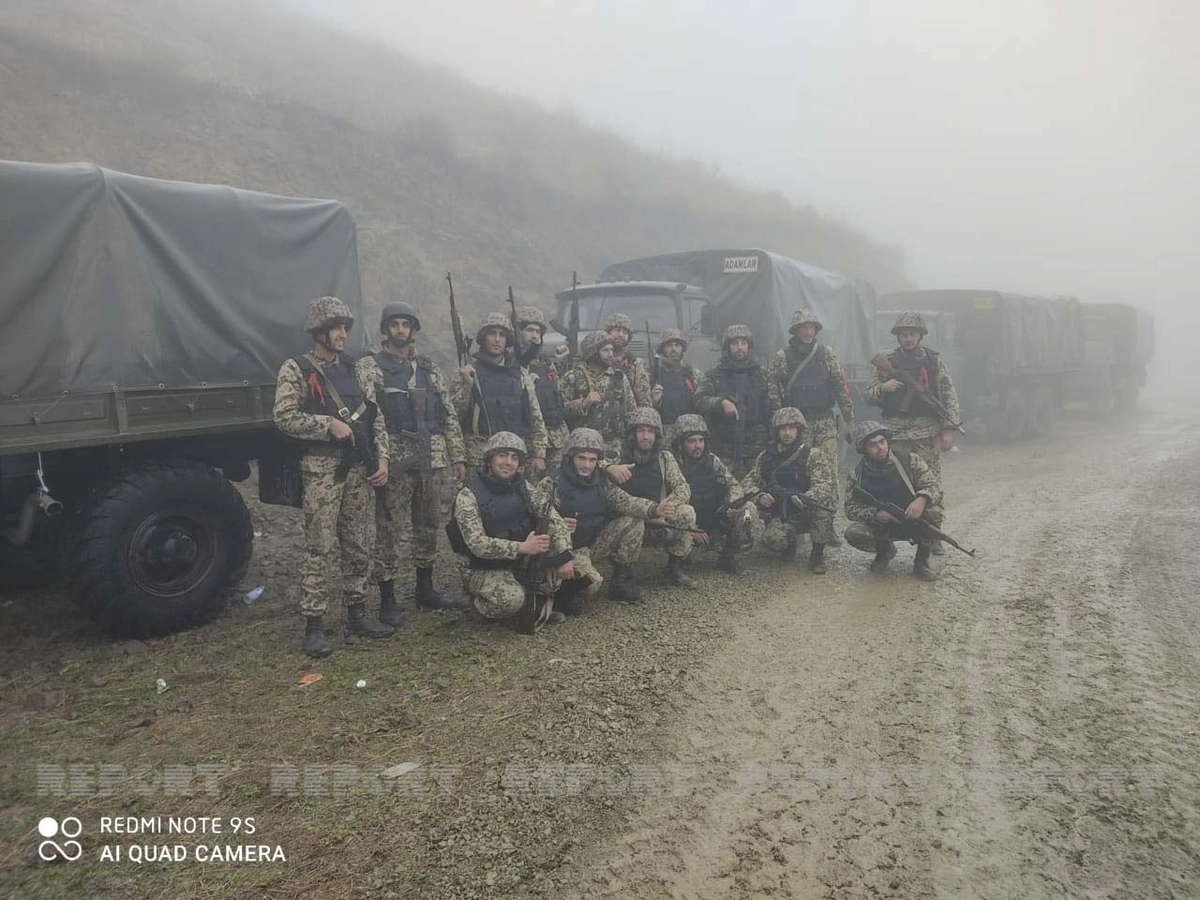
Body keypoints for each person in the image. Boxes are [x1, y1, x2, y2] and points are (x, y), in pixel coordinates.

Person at [273, 296, 394, 658]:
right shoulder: (296, 369)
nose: (343, 334)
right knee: (319, 547)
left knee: (358, 544)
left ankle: (357, 613)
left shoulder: (356, 369)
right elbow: (284, 417)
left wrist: (383, 457)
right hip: (322, 470)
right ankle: (314, 625)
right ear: (319, 332)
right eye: (336, 328)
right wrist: (327, 424)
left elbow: (375, 416)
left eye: (345, 328)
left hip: (359, 469)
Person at [359, 301, 463, 622]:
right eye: (395, 324)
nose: (400, 330)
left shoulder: (429, 368)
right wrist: (380, 457)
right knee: (389, 528)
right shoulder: (371, 367)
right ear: (386, 329)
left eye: (406, 324)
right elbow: (370, 415)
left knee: (428, 524)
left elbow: (447, 413)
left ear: (413, 329)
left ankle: (425, 587)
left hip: (431, 457)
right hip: (395, 458)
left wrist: (458, 455)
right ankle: (387, 598)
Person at [447, 432, 576, 624]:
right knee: (511, 600)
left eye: (514, 458)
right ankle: (475, 606)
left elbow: (553, 519)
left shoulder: (523, 487)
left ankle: (534, 605)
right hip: (480, 566)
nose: (508, 462)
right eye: (502, 455)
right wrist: (522, 547)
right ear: (490, 459)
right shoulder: (468, 495)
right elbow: (477, 544)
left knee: (562, 566)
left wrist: (565, 555)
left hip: (518, 561)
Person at [865, 310, 960, 553]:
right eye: (904, 335)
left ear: (920, 336)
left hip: (926, 433)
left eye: (912, 334)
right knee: (890, 483)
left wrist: (948, 430)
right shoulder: (888, 362)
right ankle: (886, 538)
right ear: (898, 337)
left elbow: (948, 395)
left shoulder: (933, 361)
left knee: (931, 484)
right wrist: (884, 388)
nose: (908, 339)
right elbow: (868, 395)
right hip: (894, 434)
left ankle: (933, 535)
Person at [548, 427, 667, 608]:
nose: (587, 465)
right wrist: (557, 525)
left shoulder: (601, 481)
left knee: (633, 521)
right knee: (592, 583)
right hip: (565, 550)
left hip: (592, 544)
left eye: (592, 460)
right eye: (581, 458)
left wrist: (655, 509)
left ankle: (620, 581)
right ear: (570, 457)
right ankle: (559, 594)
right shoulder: (553, 483)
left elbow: (625, 501)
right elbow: (535, 518)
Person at [766, 308, 855, 544]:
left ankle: (827, 525)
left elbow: (840, 388)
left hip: (824, 421)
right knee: (797, 473)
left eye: (812, 327)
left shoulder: (826, 354)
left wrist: (850, 421)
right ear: (795, 331)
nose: (808, 332)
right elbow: (772, 390)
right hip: (796, 426)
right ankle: (795, 521)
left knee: (830, 475)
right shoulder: (782, 357)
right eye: (803, 328)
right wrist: (780, 422)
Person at [606, 407, 697, 588]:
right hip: (628, 516)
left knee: (687, 512)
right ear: (633, 433)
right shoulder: (617, 454)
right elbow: (596, 466)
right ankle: (621, 576)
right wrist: (609, 468)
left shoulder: (664, 458)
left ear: (657, 435)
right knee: (632, 522)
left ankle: (675, 567)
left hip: (658, 516)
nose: (646, 436)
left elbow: (682, 487)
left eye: (650, 431)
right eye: (641, 431)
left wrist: (668, 506)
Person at [843, 420, 944, 581]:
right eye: (873, 445)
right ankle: (885, 551)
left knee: (934, 513)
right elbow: (850, 508)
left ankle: (921, 562)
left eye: (882, 441)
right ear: (864, 449)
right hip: (883, 524)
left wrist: (922, 499)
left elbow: (934, 486)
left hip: (913, 518)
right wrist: (875, 514)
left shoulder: (909, 460)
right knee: (853, 533)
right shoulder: (857, 474)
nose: (880, 448)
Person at [451, 312, 548, 475]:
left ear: (507, 340)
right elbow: (453, 417)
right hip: (478, 458)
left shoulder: (520, 374)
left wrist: (539, 454)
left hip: (514, 457)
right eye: (492, 333)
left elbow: (535, 416)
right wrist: (467, 386)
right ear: (483, 337)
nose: (497, 339)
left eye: (502, 335)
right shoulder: (468, 372)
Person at [742, 407, 836, 574]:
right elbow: (747, 482)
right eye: (783, 429)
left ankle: (817, 553)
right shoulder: (766, 456)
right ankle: (789, 542)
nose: (787, 433)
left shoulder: (812, 454)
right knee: (773, 540)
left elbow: (823, 485)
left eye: (791, 428)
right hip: (780, 511)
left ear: (799, 430)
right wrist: (760, 496)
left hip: (805, 509)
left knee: (824, 508)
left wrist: (805, 498)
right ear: (776, 431)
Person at [671, 414, 757, 575]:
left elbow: (734, 485)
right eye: (691, 441)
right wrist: (691, 529)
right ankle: (679, 560)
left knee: (748, 508)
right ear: (680, 444)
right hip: (686, 522)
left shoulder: (712, 461)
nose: (698, 445)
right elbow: (666, 502)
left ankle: (728, 557)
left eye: (701, 440)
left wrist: (733, 505)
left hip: (713, 518)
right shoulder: (671, 463)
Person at [694, 324, 777, 477]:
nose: (740, 347)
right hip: (724, 449)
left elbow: (774, 409)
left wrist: (773, 442)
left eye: (743, 343)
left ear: (749, 346)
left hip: (755, 450)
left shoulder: (762, 375)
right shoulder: (714, 375)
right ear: (727, 346)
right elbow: (700, 400)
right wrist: (721, 402)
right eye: (735, 343)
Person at [559, 330, 636, 459]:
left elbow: (630, 412)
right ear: (593, 353)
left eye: (612, 350)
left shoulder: (619, 378)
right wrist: (582, 404)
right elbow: (558, 412)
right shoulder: (573, 377)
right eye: (605, 350)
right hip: (583, 451)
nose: (611, 354)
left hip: (613, 450)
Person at [515, 306, 569, 472]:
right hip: (529, 445)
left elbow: (558, 396)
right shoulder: (511, 364)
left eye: (538, 332)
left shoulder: (546, 363)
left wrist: (561, 366)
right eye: (529, 330)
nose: (534, 336)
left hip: (556, 442)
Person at [652, 327, 698, 430]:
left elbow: (701, 402)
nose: (674, 349)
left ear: (682, 348)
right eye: (669, 345)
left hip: (689, 430)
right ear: (663, 349)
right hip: (664, 430)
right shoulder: (654, 376)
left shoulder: (692, 374)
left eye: (677, 345)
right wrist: (655, 402)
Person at [605, 312, 653, 408]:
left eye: (625, 332)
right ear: (608, 332)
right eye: (617, 330)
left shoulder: (635, 364)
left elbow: (644, 401)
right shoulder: (598, 361)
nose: (621, 335)